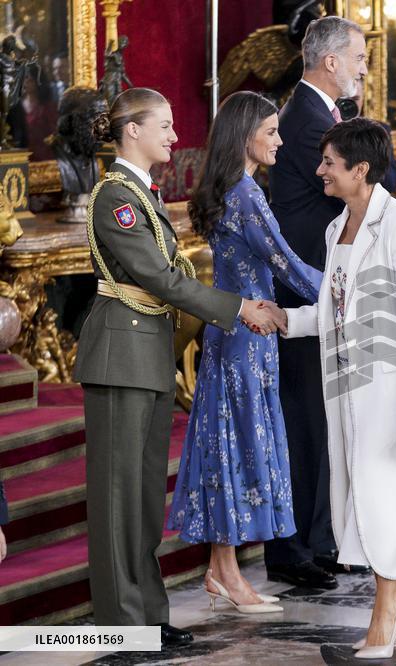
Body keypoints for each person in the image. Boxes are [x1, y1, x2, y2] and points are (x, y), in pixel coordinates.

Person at [72, 87, 283, 644]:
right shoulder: (113, 196)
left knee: (142, 496)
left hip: (146, 354)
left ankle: (148, 617)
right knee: (119, 500)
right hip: (121, 357)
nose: (173, 134)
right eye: (162, 125)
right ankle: (121, 628)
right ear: (132, 131)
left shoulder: (144, 194)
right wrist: (238, 308)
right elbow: (160, 279)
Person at [267, 15, 396, 585]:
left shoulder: (326, 118)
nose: (366, 64)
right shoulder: (308, 119)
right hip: (313, 284)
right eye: (360, 55)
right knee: (311, 427)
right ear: (331, 61)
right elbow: (331, 207)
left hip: (334, 296)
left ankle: (332, 540)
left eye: (332, 164)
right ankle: (302, 546)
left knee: (335, 433)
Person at [280, 118, 396, 659]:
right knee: (361, 494)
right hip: (349, 388)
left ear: (361, 169)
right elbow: (333, 312)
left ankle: (386, 612)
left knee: (384, 497)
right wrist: (283, 320)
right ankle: (391, 607)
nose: (320, 171)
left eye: (330, 162)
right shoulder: (337, 230)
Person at [166, 92, 323, 613]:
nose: (280, 140)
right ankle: (231, 576)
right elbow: (287, 265)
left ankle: (217, 570)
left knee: (227, 446)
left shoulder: (234, 188)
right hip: (243, 345)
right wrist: (350, 287)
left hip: (233, 338)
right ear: (245, 135)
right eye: (272, 132)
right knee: (233, 451)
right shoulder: (247, 195)